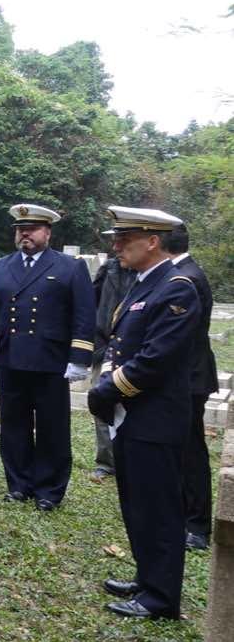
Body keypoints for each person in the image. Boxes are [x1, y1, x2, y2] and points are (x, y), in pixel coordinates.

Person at [87, 206, 200, 620]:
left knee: (159, 508)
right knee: (138, 503)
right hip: (133, 414)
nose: (116, 246)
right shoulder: (146, 282)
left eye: (124, 239)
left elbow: (155, 360)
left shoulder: (178, 286)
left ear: (153, 241)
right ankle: (148, 576)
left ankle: (160, 597)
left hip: (155, 416)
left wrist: (107, 389)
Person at [0, 204, 95, 511]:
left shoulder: (70, 267)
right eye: (20, 229)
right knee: (13, 425)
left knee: (51, 428)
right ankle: (18, 484)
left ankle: (49, 490)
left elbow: (84, 315)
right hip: (10, 359)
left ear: (48, 232)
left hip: (51, 361)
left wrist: (80, 357)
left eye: (31, 229)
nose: (24, 234)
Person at [163, 225, 220, 551]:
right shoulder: (183, 272)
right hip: (187, 375)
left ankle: (197, 525)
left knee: (190, 451)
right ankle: (185, 514)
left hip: (190, 377)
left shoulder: (187, 278)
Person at [88, 256, 136, 481]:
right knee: (101, 401)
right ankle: (106, 461)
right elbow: (92, 301)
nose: (118, 247)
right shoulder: (109, 268)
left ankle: (133, 461)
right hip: (105, 345)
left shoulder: (152, 272)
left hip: (135, 349)